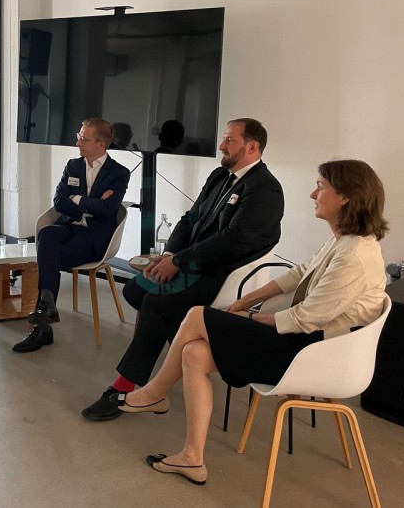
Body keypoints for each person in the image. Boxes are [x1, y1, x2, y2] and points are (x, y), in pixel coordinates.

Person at [115, 160, 389, 485]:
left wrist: (250, 316)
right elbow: (300, 273)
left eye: (321, 187)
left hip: (312, 353)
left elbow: (304, 318)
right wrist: (247, 300)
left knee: (198, 315)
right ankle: (191, 457)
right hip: (307, 341)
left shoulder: (354, 256)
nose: (313, 194)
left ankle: (155, 391)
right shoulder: (344, 241)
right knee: (194, 353)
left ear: (345, 196)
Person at [82, 118, 284, 420]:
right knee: (136, 289)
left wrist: (178, 263)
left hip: (220, 277)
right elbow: (190, 219)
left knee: (157, 302)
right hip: (193, 265)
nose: (221, 146)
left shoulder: (265, 189)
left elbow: (232, 241)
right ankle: (182, 356)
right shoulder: (220, 176)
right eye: (224, 138)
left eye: (230, 140)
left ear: (252, 146)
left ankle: (128, 388)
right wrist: (170, 254)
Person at [13, 118, 131, 353]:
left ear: (100, 144)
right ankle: (47, 308)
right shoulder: (73, 166)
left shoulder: (119, 173)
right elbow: (59, 202)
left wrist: (76, 199)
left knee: (49, 259)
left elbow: (108, 209)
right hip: (69, 225)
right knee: (47, 233)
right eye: (79, 137)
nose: (78, 142)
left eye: (83, 139)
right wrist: (91, 204)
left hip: (94, 237)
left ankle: (42, 327)